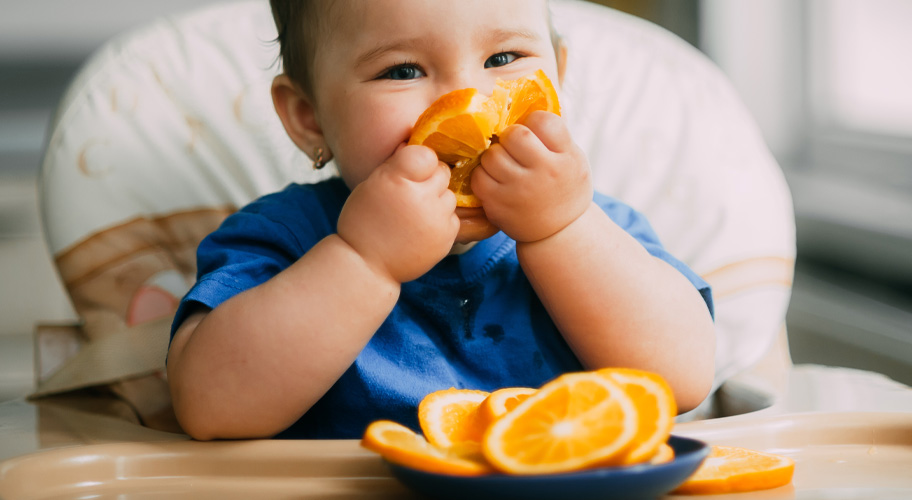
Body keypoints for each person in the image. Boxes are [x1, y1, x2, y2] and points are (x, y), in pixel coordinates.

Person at [166, 0, 716, 441]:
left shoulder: (596, 228)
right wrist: (364, 261)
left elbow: (684, 380)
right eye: (402, 70)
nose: (468, 102)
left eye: (504, 60)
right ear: (309, 119)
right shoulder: (286, 237)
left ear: (557, 77)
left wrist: (562, 232)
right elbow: (209, 406)